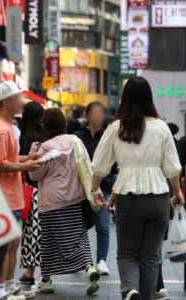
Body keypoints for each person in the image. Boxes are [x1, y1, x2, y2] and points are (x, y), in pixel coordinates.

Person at [91, 77, 184, 300]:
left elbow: (99, 164)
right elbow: (172, 167)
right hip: (158, 198)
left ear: (126, 98)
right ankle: (147, 296)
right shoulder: (162, 127)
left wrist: (95, 190)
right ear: (148, 98)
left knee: (126, 253)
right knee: (151, 256)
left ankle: (130, 289)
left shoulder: (116, 127)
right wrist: (177, 191)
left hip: (128, 198)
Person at [28, 108, 100, 295]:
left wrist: (32, 152)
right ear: (63, 124)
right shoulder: (75, 141)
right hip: (75, 198)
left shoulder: (45, 147)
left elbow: (34, 174)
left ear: (47, 126)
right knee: (78, 237)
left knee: (51, 241)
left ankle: (50, 280)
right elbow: (86, 163)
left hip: (51, 201)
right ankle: (86, 269)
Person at [0, 81, 43, 300]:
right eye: (18, 97)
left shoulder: (8, 126)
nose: (22, 101)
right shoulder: (1, 130)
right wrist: (24, 166)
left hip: (11, 194)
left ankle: (8, 287)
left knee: (13, 243)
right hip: (2, 196)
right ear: (6, 102)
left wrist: (28, 158)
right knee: (5, 245)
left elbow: (6, 159)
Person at [74, 102, 118, 275]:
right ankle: (81, 261)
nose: (99, 116)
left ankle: (101, 261)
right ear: (87, 115)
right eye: (96, 113)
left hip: (103, 186)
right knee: (80, 226)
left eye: (102, 113)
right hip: (81, 188)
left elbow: (114, 162)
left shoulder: (108, 135)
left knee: (103, 226)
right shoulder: (77, 136)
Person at [19, 102, 46, 284]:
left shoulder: (24, 137)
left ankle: (30, 273)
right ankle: (45, 275)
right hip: (46, 188)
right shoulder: (46, 136)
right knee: (44, 233)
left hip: (29, 188)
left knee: (31, 232)